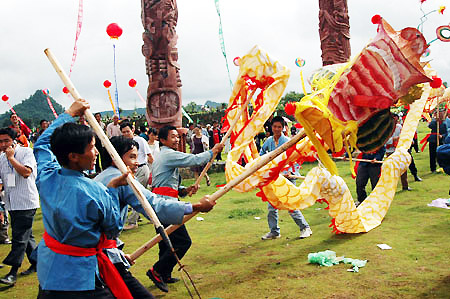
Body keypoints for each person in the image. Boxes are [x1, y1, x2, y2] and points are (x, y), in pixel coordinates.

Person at [33, 99, 130, 298]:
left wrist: (69, 113)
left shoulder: (46, 176)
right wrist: (112, 190)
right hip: (80, 277)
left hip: (49, 270)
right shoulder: (95, 192)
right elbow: (113, 229)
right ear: (74, 156)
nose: (96, 153)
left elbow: (42, 144)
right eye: (92, 147)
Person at [94, 136, 215, 294]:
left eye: (137, 157)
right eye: (131, 157)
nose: (136, 162)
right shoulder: (120, 178)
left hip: (100, 252)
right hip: (97, 255)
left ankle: (161, 272)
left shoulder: (102, 177)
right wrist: (195, 206)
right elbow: (153, 205)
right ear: (114, 157)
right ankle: (158, 272)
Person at [147, 125, 223, 292]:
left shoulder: (164, 156)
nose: (176, 139)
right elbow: (193, 160)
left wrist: (184, 190)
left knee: (166, 242)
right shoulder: (167, 154)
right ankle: (157, 270)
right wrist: (213, 151)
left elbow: (166, 182)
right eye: (173, 136)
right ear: (163, 140)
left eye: (177, 136)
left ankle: (164, 274)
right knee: (183, 241)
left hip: (163, 200)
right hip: (164, 203)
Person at [259, 116, 312, 240]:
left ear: (283, 128)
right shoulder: (268, 141)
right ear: (271, 127)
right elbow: (261, 156)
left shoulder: (288, 141)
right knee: (272, 206)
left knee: (290, 204)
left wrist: (288, 172)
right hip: (274, 178)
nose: (277, 129)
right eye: (274, 127)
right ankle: (274, 231)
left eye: (279, 127)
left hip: (288, 176)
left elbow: (296, 159)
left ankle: (305, 228)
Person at [0, 127, 39, 286]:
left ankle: (12, 272)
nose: (3, 144)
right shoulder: (1, 158)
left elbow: (26, 172)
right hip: (11, 202)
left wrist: (11, 159)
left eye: (6, 141)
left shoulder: (25, 152)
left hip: (26, 201)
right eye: (0, 141)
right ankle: (37, 263)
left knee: (19, 237)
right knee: (26, 237)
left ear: (14, 140)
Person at [120, 122, 152, 229]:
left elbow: (150, 156)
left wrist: (153, 171)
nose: (126, 134)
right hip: (130, 171)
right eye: (123, 132)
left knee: (137, 195)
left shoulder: (140, 140)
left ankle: (132, 222)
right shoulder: (123, 143)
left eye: (127, 131)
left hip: (142, 168)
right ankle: (149, 216)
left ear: (133, 130)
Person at [385, 114, 413, 190]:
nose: (395, 122)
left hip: (399, 150)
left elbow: (404, 136)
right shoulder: (386, 128)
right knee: (391, 169)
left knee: (403, 168)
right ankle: (390, 187)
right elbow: (385, 141)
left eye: (396, 120)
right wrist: (394, 139)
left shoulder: (399, 127)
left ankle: (405, 185)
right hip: (390, 151)